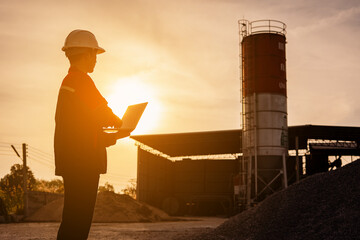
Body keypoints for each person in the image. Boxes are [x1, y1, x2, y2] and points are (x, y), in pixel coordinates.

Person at [54, 29, 129, 240]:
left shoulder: (69, 82)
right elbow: (106, 117)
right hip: (83, 163)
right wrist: (121, 124)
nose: (95, 60)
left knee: (72, 220)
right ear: (86, 54)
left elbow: (81, 129)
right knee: (78, 221)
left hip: (74, 160)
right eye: (94, 55)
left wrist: (110, 137)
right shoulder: (81, 81)